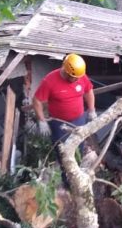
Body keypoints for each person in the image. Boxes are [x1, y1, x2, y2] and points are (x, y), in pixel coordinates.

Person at [32, 53, 96, 186]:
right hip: (58, 123)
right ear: (66, 71)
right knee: (63, 154)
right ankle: (67, 182)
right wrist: (41, 120)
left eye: (78, 77)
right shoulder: (50, 81)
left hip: (79, 120)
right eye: (73, 77)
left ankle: (78, 177)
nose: (76, 80)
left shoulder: (81, 77)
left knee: (79, 149)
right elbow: (37, 100)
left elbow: (88, 91)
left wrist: (91, 110)